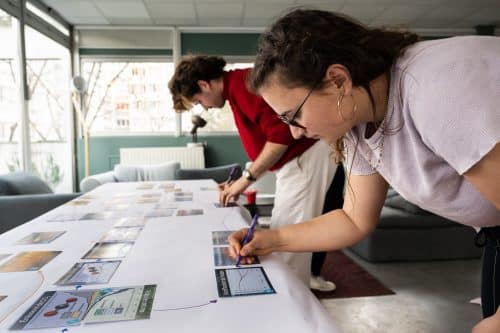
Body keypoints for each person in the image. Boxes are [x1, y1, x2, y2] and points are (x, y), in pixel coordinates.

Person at [227, 9, 500, 332]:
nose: (295, 133)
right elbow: (354, 218)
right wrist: (270, 239)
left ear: (339, 81)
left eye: (293, 116)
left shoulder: (434, 89)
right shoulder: (359, 120)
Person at [168, 55, 339, 290]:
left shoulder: (243, 86)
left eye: (198, 101)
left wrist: (245, 181)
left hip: (304, 157)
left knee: (288, 236)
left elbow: (281, 137)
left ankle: (291, 300)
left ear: (204, 84)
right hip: (298, 160)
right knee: (288, 230)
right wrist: (240, 180)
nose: (204, 108)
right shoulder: (237, 87)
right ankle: (295, 287)